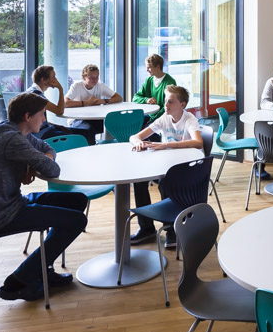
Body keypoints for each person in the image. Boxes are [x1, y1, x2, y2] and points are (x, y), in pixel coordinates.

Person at [0, 92, 87, 302]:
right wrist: (32, 163)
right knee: (78, 220)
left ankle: (42, 268)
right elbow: (52, 169)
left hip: (8, 202)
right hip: (1, 213)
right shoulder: (12, 139)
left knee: (77, 200)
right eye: (42, 114)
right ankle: (18, 281)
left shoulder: (16, 133)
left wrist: (31, 163)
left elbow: (48, 149)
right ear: (28, 116)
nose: (44, 119)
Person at [128, 85, 203, 247]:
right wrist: (138, 141)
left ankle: (171, 230)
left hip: (188, 169)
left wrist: (165, 145)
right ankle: (146, 228)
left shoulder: (190, 119)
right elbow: (134, 136)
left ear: (182, 105)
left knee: (166, 183)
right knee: (139, 181)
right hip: (166, 165)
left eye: (170, 102)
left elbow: (198, 142)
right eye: (165, 101)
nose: (166, 105)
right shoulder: (164, 118)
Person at [28, 64, 94, 144]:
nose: (56, 80)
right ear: (43, 80)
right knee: (85, 135)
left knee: (86, 132)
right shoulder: (37, 96)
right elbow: (59, 111)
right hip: (42, 135)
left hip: (46, 130)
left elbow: (42, 122)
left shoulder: (32, 91)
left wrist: (58, 126)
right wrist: (60, 89)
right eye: (53, 77)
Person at [64, 63, 122, 144]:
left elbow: (118, 98)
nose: (94, 80)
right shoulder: (76, 86)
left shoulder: (100, 85)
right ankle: (89, 148)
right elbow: (65, 103)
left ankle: (109, 145)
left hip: (94, 117)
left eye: (96, 77)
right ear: (83, 77)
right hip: (78, 118)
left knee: (112, 123)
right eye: (91, 78)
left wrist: (104, 101)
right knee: (88, 129)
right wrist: (87, 103)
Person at [133, 53, 177, 121]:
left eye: (149, 67)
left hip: (162, 118)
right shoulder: (149, 80)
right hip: (150, 115)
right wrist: (147, 100)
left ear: (158, 67)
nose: (147, 70)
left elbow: (169, 107)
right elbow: (135, 98)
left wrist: (153, 120)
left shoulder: (170, 82)